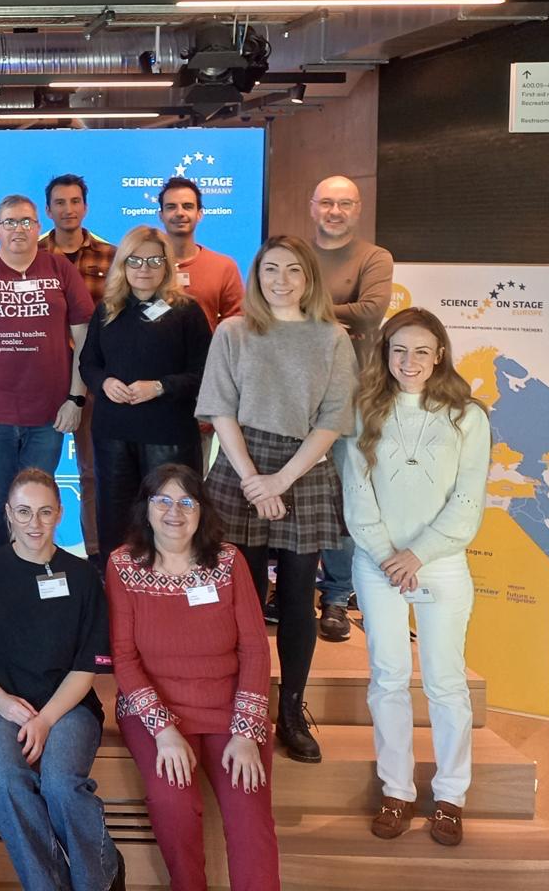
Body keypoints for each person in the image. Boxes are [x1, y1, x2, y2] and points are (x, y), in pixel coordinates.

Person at [196, 235, 357, 763]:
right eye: (270, 269)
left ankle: (290, 709)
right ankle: (242, 705)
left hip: (303, 469)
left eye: (292, 270)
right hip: (241, 464)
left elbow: (334, 419)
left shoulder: (333, 338)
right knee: (239, 600)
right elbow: (220, 408)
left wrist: (280, 481)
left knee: (296, 599)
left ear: (309, 278)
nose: (281, 280)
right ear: (257, 276)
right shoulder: (233, 331)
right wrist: (252, 479)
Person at [340, 308, 488, 847]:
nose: (410, 361)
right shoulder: (363, 410)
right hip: (377, 564)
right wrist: (388, 557)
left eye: (422, 350)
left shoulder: (467, 416)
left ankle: (450, 796)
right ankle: (397, 791)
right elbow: (357, 494)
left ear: (439, 354)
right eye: (399, 350)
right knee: (388, 678)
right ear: (385, 353)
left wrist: (417, 555)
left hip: (441, 564)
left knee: (446, 683)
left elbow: (468, 502)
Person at [105, 465, 277, 891]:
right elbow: (123, 658)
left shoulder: (230, 561)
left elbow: (256, 649)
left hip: (229, 710)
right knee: (173, 803)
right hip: (155, 712)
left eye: (186, 502)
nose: (174, 512)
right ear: (146, 508)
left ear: (202, 511)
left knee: (249, 813)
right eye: (162, 500)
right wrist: (163, 731)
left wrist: (246, 732)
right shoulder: (122, 565)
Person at [0, 469, 121, 891]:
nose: (34, 523)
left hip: (67, 707)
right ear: (8, 513)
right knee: (7, 783)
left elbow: (86, 667)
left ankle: (99, 878)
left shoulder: (83, 576)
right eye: (24, 512)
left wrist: (46, 719)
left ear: (60, 514)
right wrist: (2, 702)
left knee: (62, 786)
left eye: (45, 512)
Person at [0, 195, 93, 553]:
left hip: (50, 414)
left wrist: (76, 398)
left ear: (39, 227)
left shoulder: (59, 270)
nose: (18, 229)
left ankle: (35, 569)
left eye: (26, 221)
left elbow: (85, 337)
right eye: (10, 222)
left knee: (39, 501)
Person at [79, 227, 211, 561]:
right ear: (122, 263)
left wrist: (160, 386)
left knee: (172, 519)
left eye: (154, 260)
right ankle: (116, 583)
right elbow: (88, 363)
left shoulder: (187, 311)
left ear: (167, 264)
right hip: (113, 433)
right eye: (135, 260)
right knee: (115, 519)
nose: (144, 268)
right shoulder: (107, 309)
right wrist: (104, 383)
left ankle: (173, 581)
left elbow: (205, 373)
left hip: (168, 434)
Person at [310, 175, 396, 643]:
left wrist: (308, 310)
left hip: (352, 395)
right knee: (293, 495)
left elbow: (370, 311)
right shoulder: (298, 254)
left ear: (358, 209)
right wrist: (336, 313)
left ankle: (337, 595)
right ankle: (292, 588)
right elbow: (269, 306)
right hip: (297, 396)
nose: (335, 211)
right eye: (327, 203)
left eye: (345, 204)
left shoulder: (374, 257)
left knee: (347, 498)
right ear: (313, 207)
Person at [38, 174, 118, 557]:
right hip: (46, 377)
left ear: (85, 207)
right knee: (38, 475)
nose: (68, 209)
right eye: (60, 202)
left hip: (95, 378)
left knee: (93, 472)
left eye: (75, 201)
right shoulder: (31, 254)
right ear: (48, 209)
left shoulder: (111, 256)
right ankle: (37, 556)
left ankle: (98, 557)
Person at [157, 177, 244, 331]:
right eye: (171, 207)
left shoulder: (224, 267)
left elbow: (237, 326)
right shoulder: (145, 266)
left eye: (187, 206)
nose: (180, 213)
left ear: (199, 214)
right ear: (161, 216)